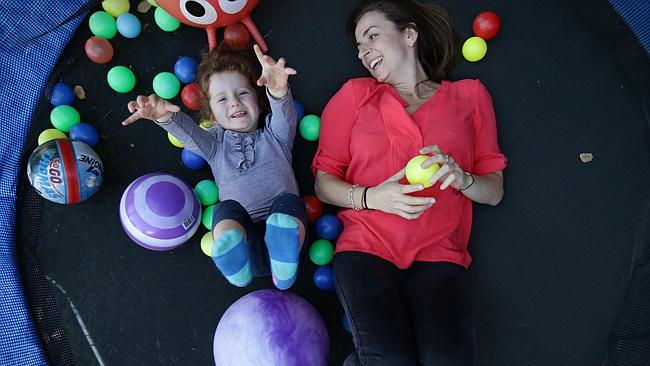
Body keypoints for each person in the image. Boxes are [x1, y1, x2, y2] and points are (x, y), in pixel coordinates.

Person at [311, 0, 507, 365]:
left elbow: (494, 191)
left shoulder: (470, 96)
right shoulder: (355, 95)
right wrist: (372, 197)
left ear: (410, 34)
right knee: (390, 360)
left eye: (372, 36)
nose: (365, 52)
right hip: (367, 249)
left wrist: (464, 179)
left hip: (439, 255)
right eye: (359, 48)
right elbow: (324, 183)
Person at [121, 43, 306, 291]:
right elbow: (189, 135)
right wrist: (163, 116)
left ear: (258, 101)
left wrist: (278, 90)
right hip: (247, 245)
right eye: (222, 99)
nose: (235, 103)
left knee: (288, 204)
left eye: (243, 93)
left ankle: (283, 270)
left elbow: (285, 115)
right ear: (212, 117)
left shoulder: (276, 136)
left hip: (288, 243)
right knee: (227, 209)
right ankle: (233, 256)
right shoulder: (215, 145)